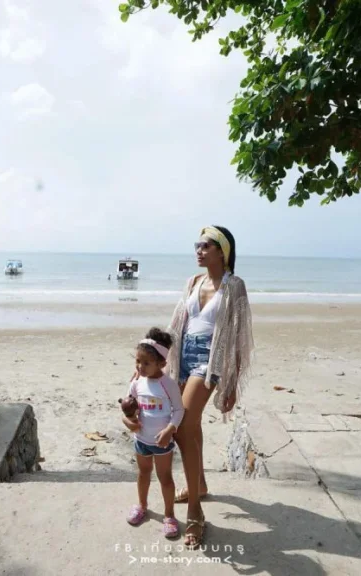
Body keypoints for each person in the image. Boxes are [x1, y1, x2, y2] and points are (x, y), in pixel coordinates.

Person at [165, 225, 254, 549]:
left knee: (180, 425)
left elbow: (240, 337)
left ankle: (195, 513)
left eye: (206, 245)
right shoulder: (193, 281)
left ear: (222, 251)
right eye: (197, 245)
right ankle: (198, 484)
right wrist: (156, 359)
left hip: (209, 362)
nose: (199, 250)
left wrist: (232, 383)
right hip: (183, 358)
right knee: (191, 427)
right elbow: (178, 325)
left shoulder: (235, 286)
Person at [121, 327, 185, 539]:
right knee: (143, 474)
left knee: (165, 477)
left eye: (146, 363)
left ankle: (169, 516)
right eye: (137, 361)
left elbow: (179, 410)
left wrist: (170, 429)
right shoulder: (136, 382)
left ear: (162, 364)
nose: (140, 366)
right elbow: (127, 406)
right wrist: (128, 421)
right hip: (141, 440)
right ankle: (142, 506)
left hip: (162, 442)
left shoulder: (168, 385)